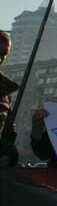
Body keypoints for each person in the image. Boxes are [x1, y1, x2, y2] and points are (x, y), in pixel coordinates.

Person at [0, 30, 19, 166]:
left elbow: (9, 133)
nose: (0, 59)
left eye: (3, 55)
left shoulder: (5, 91)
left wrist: (9, 156)